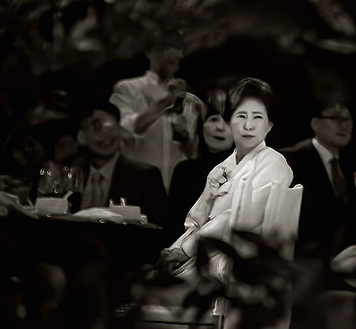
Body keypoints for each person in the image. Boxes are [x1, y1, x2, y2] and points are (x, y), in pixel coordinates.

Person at [159, 78, 295, 274]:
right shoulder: (222, 167)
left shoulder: (274, 163)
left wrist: (185, 250)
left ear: (270, 125)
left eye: (257, 117)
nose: (248, 125)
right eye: (241, 116)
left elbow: (239, 219)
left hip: (238, 263)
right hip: (202, 253)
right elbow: (195, 221)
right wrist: (175, 249)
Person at [112, 41, 203, 189]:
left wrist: (185, 137)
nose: (175, 53)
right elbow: (123, 132)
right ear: (149, 51)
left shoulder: (192, 101)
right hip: (137, 188)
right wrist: (162, 104)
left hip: (178, 191)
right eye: (166, 46)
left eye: (178, 48)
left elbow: (195, 154)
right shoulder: (127, 89)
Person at [284, 95, 356, 271]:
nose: (343, 125)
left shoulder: (352, 165)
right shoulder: (290, 160)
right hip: (301, 266)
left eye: (347, 119)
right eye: (335, 118)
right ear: (315, 123)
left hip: (342, 267)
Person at [68, 102, 167, 226]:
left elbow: (158, 226)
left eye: (112, 127)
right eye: (97, 127)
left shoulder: (145, 176)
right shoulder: (71, 173)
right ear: (81, 137)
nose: (106, 135)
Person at [167, 89, 232, 226]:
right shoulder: (184, 171)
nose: (220, 127)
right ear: (201, 126)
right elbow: (172, 224)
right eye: (213, 119)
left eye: (228, 121)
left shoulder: (245, 172)